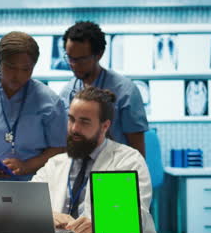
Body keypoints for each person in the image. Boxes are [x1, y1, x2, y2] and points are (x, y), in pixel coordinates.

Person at [32, 87, 157, 233]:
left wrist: (101, 226)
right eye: (71, 119)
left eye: (84, 122)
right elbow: (29, 204)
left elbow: (137, 217)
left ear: (105, 126)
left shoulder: (127, 161)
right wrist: (47, 215)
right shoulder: (56, 163)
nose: (74, 128)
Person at [0, 31, 67, 181]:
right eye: (11, 67)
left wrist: (26, 166)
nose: (17, 75)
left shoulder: (49, 101)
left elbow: (58, 148)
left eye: (26, 69)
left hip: (31, 184)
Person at [59, 21, 148, 157]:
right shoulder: (67, 92)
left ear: (99, 54)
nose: (74, 65)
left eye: (81, 59)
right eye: (70, 58)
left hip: (115, 172)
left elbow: (138, 152)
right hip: (78, 168)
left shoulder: (125, 92)